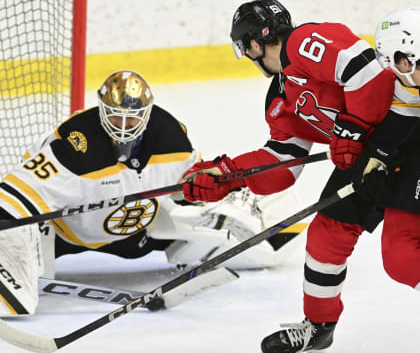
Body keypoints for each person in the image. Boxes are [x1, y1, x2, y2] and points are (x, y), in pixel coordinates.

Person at [181, 0, 395, 353]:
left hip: (403, 141)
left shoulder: (304, 43)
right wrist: (229, 175)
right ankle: (319, 327)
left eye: (245, 47)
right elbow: (284, 161)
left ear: (252, 43)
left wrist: (354, 128)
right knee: (327, 232)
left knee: (405, 249)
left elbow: (367, 71)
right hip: (366, 163)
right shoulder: (281, 93)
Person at [0, 69, 302, 317]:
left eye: (131, 118)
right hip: (64, 236)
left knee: (239, 234)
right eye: (115, 116)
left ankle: (253, 221)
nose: (122, 126)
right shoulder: (76, 146)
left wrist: (206, 190)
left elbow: (190, 187)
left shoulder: (169, 136)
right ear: (101, 110)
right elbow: (11, 195)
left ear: (147, 113)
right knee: (18, 229)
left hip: (137, 239)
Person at [355, 7, 420, 353]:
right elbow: (403, 117)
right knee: (399, 251)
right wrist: (377, 158)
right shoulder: (411, 83)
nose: (398, 74)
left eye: (398, 64)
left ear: (408, 56)